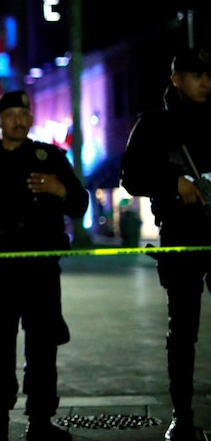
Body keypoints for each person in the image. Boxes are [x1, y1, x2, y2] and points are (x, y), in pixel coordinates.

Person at [0, 89, 89, 441]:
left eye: (24, 115)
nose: (19, 121)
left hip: (40, 270)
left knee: (42, 349)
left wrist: (61, 191)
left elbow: (79, 204)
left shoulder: (51, 157)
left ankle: (40, 422)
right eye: (11, 115)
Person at [120, 47, 211, 441]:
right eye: (195, 75)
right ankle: (183, 415)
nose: (205, 82)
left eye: (208, 75)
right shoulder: (155, 124)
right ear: (176, 78)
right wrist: (172, 182)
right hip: (181, 234)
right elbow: (131, 175)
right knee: (183, 331)